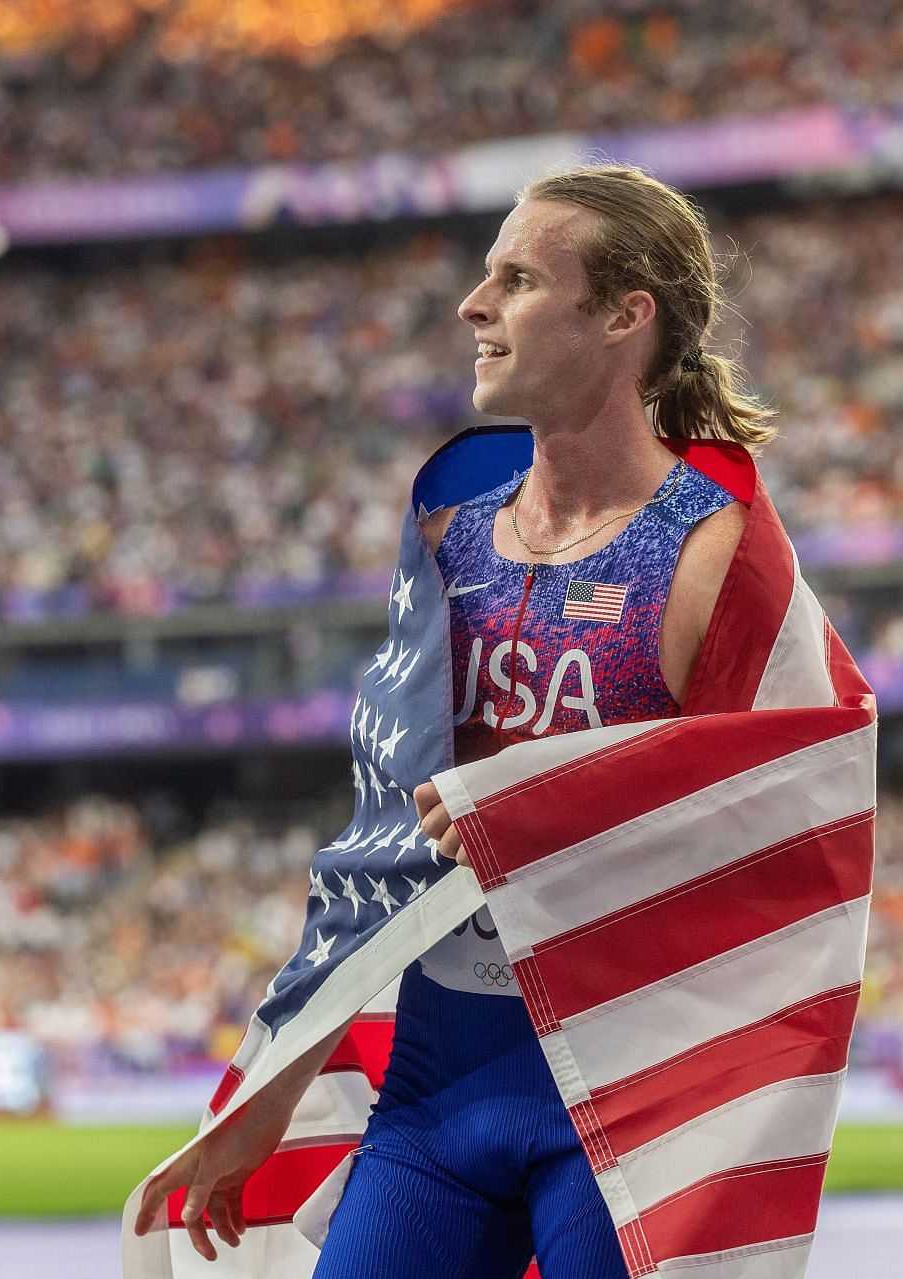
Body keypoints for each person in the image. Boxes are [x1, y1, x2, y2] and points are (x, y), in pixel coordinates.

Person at [135, 163, 776, 1275]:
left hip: (624, 1095)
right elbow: (383, 851)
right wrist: (271, 1095)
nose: (472, 306)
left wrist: (533, 806)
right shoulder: (448, 542)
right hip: (438, 1088)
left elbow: (762, 834)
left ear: (625, 316)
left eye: (517, 279)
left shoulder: (713, 552)